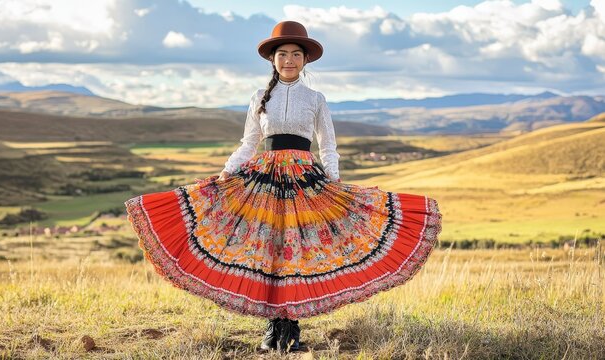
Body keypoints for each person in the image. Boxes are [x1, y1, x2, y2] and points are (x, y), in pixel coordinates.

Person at [125, 20, 442, 353]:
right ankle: (272, 327)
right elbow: (249, 143)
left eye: (295, 54)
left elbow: (327, 145)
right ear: (272, 59)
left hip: (305, 181)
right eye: (282, 54)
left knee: (296, 253)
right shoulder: (260, 97)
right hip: (265, 180)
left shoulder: (316, 98)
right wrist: (227, 170)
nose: (289, 60)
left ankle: (290, 328)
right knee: (269, 251)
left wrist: (333, 182)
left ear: (305, 61)